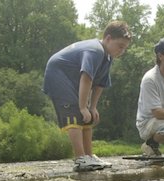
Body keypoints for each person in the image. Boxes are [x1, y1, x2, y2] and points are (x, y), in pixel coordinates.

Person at [43, 21, 132, 172]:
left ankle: (89, 156)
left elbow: (100, 84)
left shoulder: (108, 57)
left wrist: (92, 107)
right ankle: (80, 158)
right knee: (74, 111)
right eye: (120, 46)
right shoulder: (95, 50)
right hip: (57, 74)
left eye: (124, 48)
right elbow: (86, 77)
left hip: (73, 79)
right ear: (108, 38)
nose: (121, 51)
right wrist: (83, 106)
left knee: (87, 116)